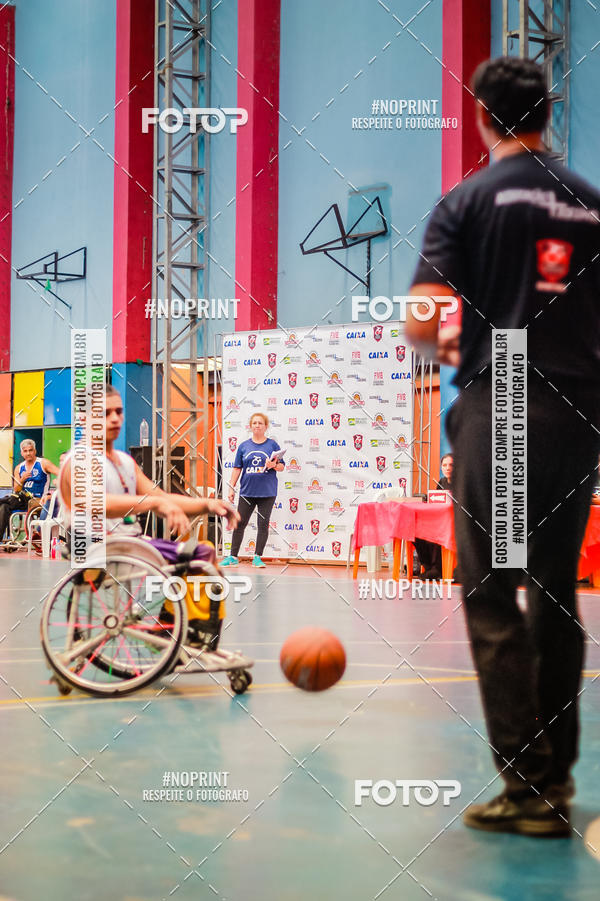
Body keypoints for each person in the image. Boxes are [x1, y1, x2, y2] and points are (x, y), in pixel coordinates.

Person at [406, 56, 600, 836]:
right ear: (547, 112)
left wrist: (455, 356)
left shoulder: (468, 202)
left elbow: (424, 322)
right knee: (554, 588)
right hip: (579, 409)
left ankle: (530, 785)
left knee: (492, 587)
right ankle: (558, 769)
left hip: (506, 397)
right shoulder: (590, 202)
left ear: (482, 115)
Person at [59, 385, 240, 650]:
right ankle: (173, 631)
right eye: (105, 412)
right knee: (201, 556)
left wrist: (208, 504)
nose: (114, 419)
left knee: (205, 553)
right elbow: (95, 504)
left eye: (118, 412)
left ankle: (176, 629)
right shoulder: (79, 460)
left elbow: (160, 496)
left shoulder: (123, 461)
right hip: (97, 546)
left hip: (128, 544)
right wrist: (153, 503)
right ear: (84, 419)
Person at [221, 412, 285, 568]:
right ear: (250, 426)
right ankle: (233, 556)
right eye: (254, 423)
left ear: (265, 426)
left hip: (267, 492)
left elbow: (282, 466)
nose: (257, 425)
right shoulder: (244, 446)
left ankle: (257, 557)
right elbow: (237, 468)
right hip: (247, 492)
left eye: (260, 423)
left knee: (263, 524)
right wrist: (231, 488)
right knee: (240, 523)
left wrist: (273, 466)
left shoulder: (272, 445)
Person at [0, 440, 59, 542]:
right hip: (22, 500)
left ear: (35, 451)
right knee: (4, 507)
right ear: (22, 453)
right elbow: (16, 489)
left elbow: (61, 474)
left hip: (38, 500)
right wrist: (22, 479)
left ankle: (3, 500)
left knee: (9, 500)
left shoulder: (43, 463)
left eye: (30, 450)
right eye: (25, 451)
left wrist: (55, 488)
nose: (28, 453)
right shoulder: (19, 468)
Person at [414, 453, 454, 579]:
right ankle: (428, 566)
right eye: (444, 465)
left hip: (454, 524)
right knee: (417, 533)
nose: (447, 468)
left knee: (439, 532)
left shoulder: (462, 483)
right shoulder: (441, 482)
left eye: (451, 465)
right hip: (439, 521)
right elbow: (435, 503)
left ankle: (438, 569)